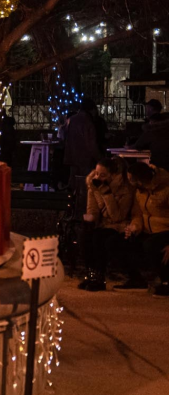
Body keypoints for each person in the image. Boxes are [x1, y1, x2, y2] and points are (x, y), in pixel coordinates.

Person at [78, 157, 137, 291]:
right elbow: (92, 208)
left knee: (100, 238)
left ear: (114, 175)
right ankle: (91, 275)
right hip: (103, 224)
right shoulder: (94, 185)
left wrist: (106, 193)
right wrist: (91, 219)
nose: (98, 177)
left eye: (103, 175)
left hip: (120, 226)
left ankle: (99, 278)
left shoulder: (125, 189)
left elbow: (117, 216)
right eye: (97, 173)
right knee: (86, 236)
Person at [125, 160, 169, 296]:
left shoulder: (166, 188)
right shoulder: (141, 191)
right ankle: (139, 278)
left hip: (165, 229)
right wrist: (135, 226)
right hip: (149, 229)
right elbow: (138, 213)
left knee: (152, 244)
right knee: (124, 241)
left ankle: (165, 280)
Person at [62, 99, 99, 183]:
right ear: (92, 110)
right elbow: (91, 144)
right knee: (85, 182)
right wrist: (99, 158)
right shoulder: (88, 121)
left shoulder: (71, 120)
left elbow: (65, 137)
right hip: (85, 159)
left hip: (72, 157)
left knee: (73, 181)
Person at [132, 98, 169, 169]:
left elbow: (139, 144)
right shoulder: (164, 122)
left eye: (147, 107)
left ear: (151, 108)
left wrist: (132, 146)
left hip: (158, 163)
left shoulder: (152, 129)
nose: (145, 110)